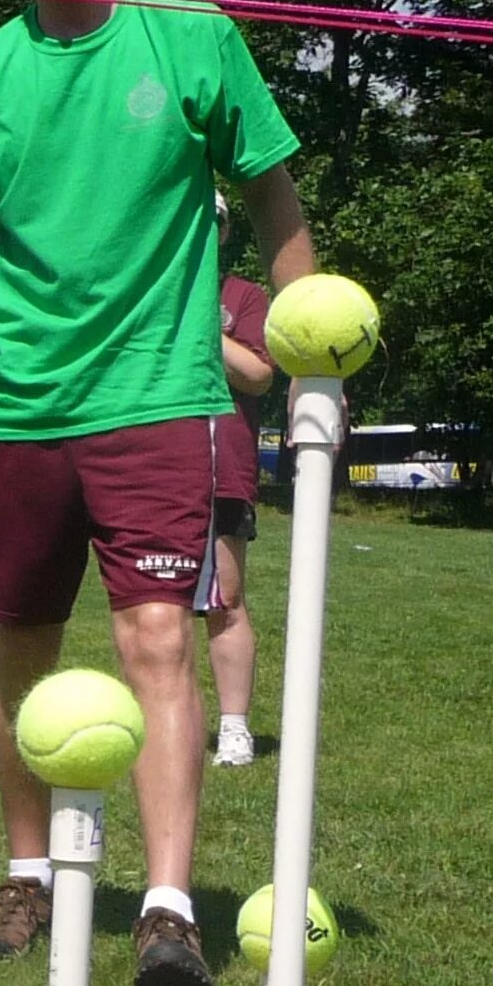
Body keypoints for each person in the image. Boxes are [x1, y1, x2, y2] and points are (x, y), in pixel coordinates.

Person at [0, 0, 312, 986]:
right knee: (16, 642)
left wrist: (310, 332)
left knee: (157, 644)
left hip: (155, 396)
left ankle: (168, 910)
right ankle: (26, 876)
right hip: (20, 405)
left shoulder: (192, 37)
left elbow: (270, 192)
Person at [207, 196, 272, 767]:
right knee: (148, 604)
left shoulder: (244, 298)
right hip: (148, 464)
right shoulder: (138, 284)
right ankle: (158, 719)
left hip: (222, 467)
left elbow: (257, 375)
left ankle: (233, 727)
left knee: (225, 599)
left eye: (214, 220)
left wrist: (199, 315)